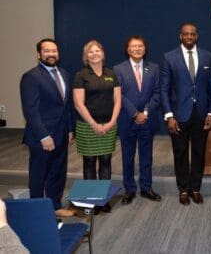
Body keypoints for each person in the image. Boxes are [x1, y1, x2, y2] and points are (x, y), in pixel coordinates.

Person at [160, 23, 211, 205]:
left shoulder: (207, 56)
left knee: (199, 153)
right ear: (180, 36)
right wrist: (169, 115)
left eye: (192, 34)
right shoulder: (169, 57)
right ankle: (183, 189)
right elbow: (164, 89)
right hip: (178, 115)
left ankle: (196, 188)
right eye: (186, 34)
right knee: (180, 153)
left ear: (196, 36)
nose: (189, 37)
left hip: (201, 114)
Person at [20, 38, 75, 217]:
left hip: (61, 133)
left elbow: (66, 105)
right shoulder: (31, 77)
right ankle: (36, 212)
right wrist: (44, 136)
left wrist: (69, 129)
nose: (51, 54)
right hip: (41, 137)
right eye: (47, 51)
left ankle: (55, 205)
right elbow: (31, 110)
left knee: (58, 172)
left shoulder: (65, 74)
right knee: (38, 175)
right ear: (39, 54)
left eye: (54, 51)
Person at [73, 40, 121, 213]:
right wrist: (94, 124)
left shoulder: (111, 74)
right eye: (90, 52)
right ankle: (91, 201)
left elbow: (118, 101)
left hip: (109, 124)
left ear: (102, 53)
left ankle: (103, 199)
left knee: (106, 161)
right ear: (86, 56)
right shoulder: (81, 75)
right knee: (89, 162)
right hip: (87, 126)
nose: (94, 54)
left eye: (97, 51)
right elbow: (78, 104)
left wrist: (111, 122)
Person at [114, 36, 161, 204]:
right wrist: (135, 113)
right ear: (128, 49)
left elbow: (157, 93)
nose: (137, 49)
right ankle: (129, 189)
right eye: (133, 46)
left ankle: (146, 188)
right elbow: (120, 94)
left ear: (145, 49)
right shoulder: (118, 69)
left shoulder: (154, 68)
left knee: (146, 156)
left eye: (140, 46)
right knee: (127, 157)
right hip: (128, 119)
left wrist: (146, 112)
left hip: (148, 120)